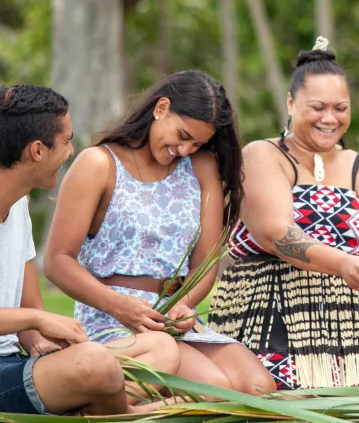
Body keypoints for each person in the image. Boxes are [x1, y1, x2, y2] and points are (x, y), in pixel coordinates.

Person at [0, 85, 181, 423]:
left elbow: (30, 307)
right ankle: (124, 414)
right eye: (66, 141)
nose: (71, 152)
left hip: (8, 365)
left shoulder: (16, 206)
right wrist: (34, 321)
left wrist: (39, 342)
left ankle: (93, 410)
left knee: (160, 348)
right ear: (37, 150)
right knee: (98, 365)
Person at [44, 71, 274, 396]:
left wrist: (186, 303)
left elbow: (205, 264)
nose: (183, 149)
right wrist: (119, 306)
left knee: (259, 387)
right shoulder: (98, 163)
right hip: (113, 317)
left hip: (175, 314)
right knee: (216, 389)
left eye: (196, 143)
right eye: (182, 135)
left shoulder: (200, 166)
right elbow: (57, 261)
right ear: (161, 108)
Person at [208, 38, 359, 390]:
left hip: (355, 329)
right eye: (317, 107)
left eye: (341, 108)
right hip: (268, 321)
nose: (330, 118)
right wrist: (343, 263)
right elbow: (277, 234)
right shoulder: (262, 155)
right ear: (290, 103)